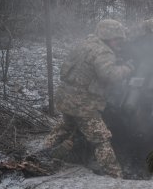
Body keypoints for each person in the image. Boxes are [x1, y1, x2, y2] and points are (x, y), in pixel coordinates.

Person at [46, 19, 134, 178]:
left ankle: (43, 154)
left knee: (63, 128)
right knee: (101, 138)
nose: (118, 43)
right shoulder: (102, 51)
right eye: (117, 39)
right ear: (108, 37)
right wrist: (127, 68)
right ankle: (114, 173)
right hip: (83, 105)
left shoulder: (84, 45)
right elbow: (110, 75)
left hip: (66, 98)